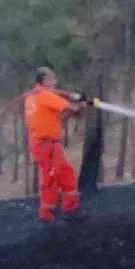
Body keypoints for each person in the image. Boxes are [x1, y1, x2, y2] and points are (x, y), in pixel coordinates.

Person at [24, 67, 84, 223]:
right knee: (50, 178)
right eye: (53, 79)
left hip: (48, 143)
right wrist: (79, 105)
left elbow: (60, 116)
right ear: (45, 80)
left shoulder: (35, 96)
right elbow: (69, 108)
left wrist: (76, 107)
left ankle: (71, 209)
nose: (55, 82)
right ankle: (47, 216)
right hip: (45, 145)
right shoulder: (44, 95)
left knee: (65, 173)